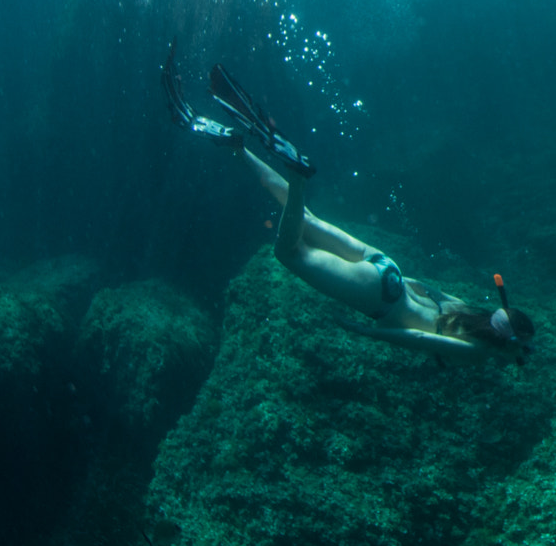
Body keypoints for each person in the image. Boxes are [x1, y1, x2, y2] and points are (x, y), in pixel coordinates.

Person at [162, 44, 535, 366]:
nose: (518, 359)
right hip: (380, 300)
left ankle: (237, 148)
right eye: (520, 352)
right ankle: (297, 178)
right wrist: (365, 332)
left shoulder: (471, 312)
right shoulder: (476, 351)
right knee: (288, 254)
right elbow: (422, 341)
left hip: (390, 271)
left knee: (304, 219)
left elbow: (429, 291)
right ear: (508, 342)